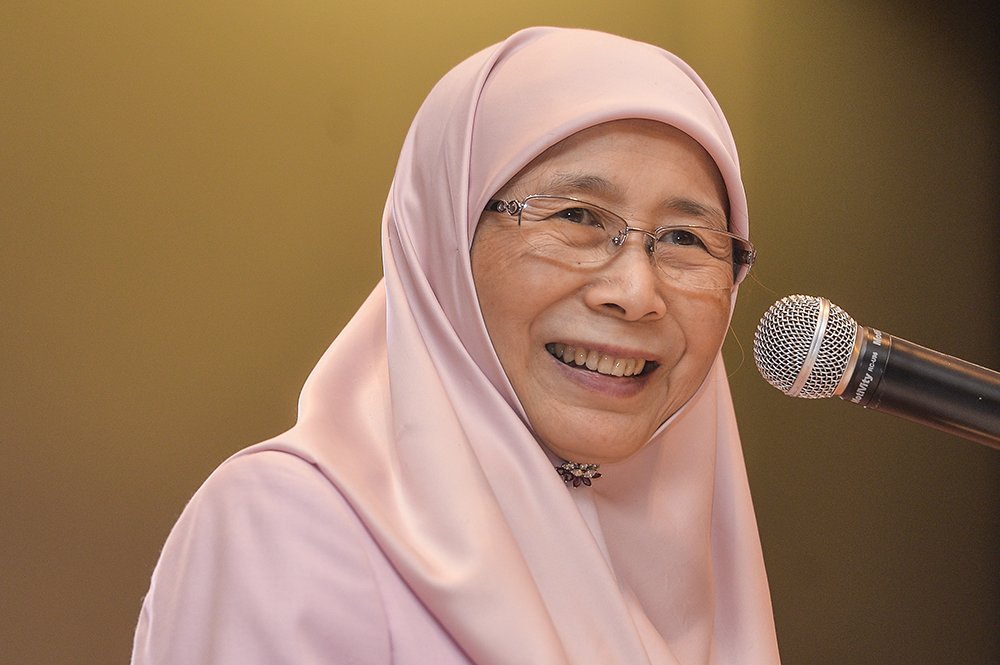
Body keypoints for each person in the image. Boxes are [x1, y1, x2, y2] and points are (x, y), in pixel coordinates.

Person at [131, 27, 780, 664]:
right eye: (577, 216)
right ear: (447, 239)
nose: (638, 292)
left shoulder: (694, 571)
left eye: (686, 239)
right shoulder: (290, 525)